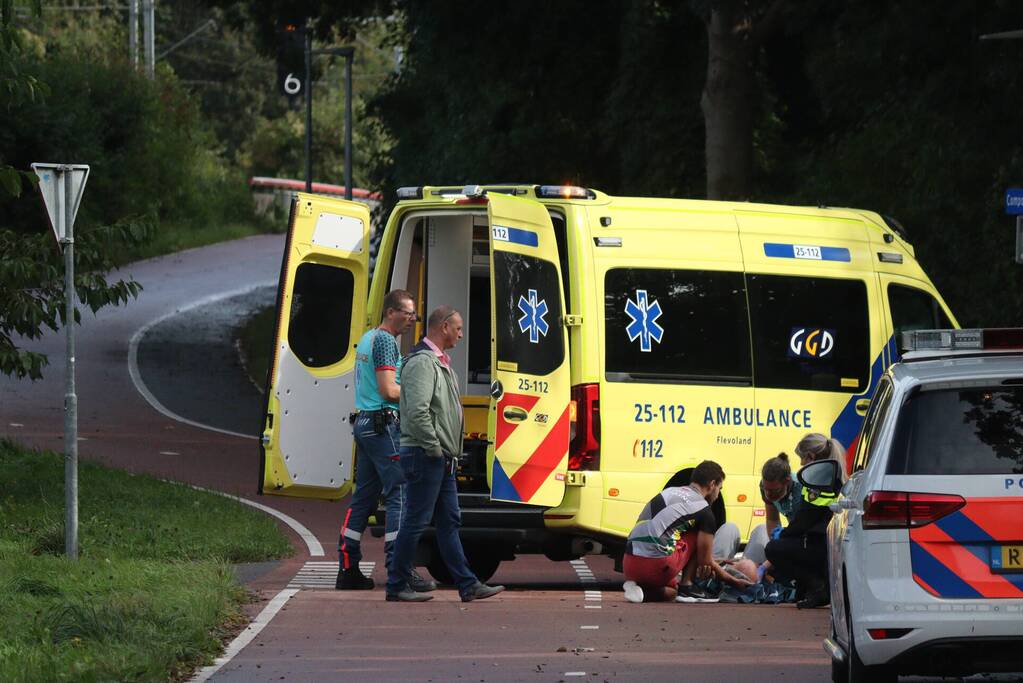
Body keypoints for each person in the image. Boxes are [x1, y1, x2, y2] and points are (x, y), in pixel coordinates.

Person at [385, 306, 505, 603]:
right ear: (443, 327)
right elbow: (418, 411)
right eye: (458, 328)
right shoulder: (423, 364)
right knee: (416, 520)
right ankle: (397, 584)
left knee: (449, 520)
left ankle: (467, 584)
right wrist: (435, 447)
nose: (462, 335)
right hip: (427, 456)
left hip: (440, 458)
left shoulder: (439, 363)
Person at [336, 289, 434, 593]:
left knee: (363, 498)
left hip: (365, 424)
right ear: (391, 312)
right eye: (407, 313)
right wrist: (418, 396)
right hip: (382, 425)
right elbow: (388, 391)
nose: (411, 319)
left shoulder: (367, 338)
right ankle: (399, 569)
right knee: (400, 493)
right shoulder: (384, 342)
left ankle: (348, 567)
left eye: (414, 314)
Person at [621, 460, 753, 604]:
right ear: (712, 484)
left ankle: (641, 592)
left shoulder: (669, 491)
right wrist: (733, 581)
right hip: (655, 565)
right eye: (719, 489)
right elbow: (705, 561)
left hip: (629, 564)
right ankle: (687, 586)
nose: (717, 495)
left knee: (672, 592)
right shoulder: (703, 510)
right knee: (698, 533)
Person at [762, 434, 844, 608]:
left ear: (811, 458)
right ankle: (812, 588)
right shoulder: (832, 475)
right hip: (827, 541)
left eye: (802, 459)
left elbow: (804, 521)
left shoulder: (816, 482)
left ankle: (818, 587)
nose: (800, 464)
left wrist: (782, 536)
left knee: (774, 550)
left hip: (821, 543)